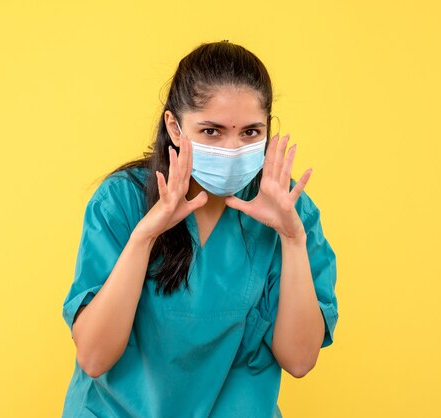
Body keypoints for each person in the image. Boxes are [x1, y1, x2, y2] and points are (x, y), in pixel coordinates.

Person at [60, 40, 339, 418]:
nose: (232, 149)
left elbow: (300, 359)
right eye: (211, 132)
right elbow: (94, 357)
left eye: (250, 133)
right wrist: (144, 236)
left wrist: (292, 239)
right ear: (175, 127)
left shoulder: (290, 211)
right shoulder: (122, 201)